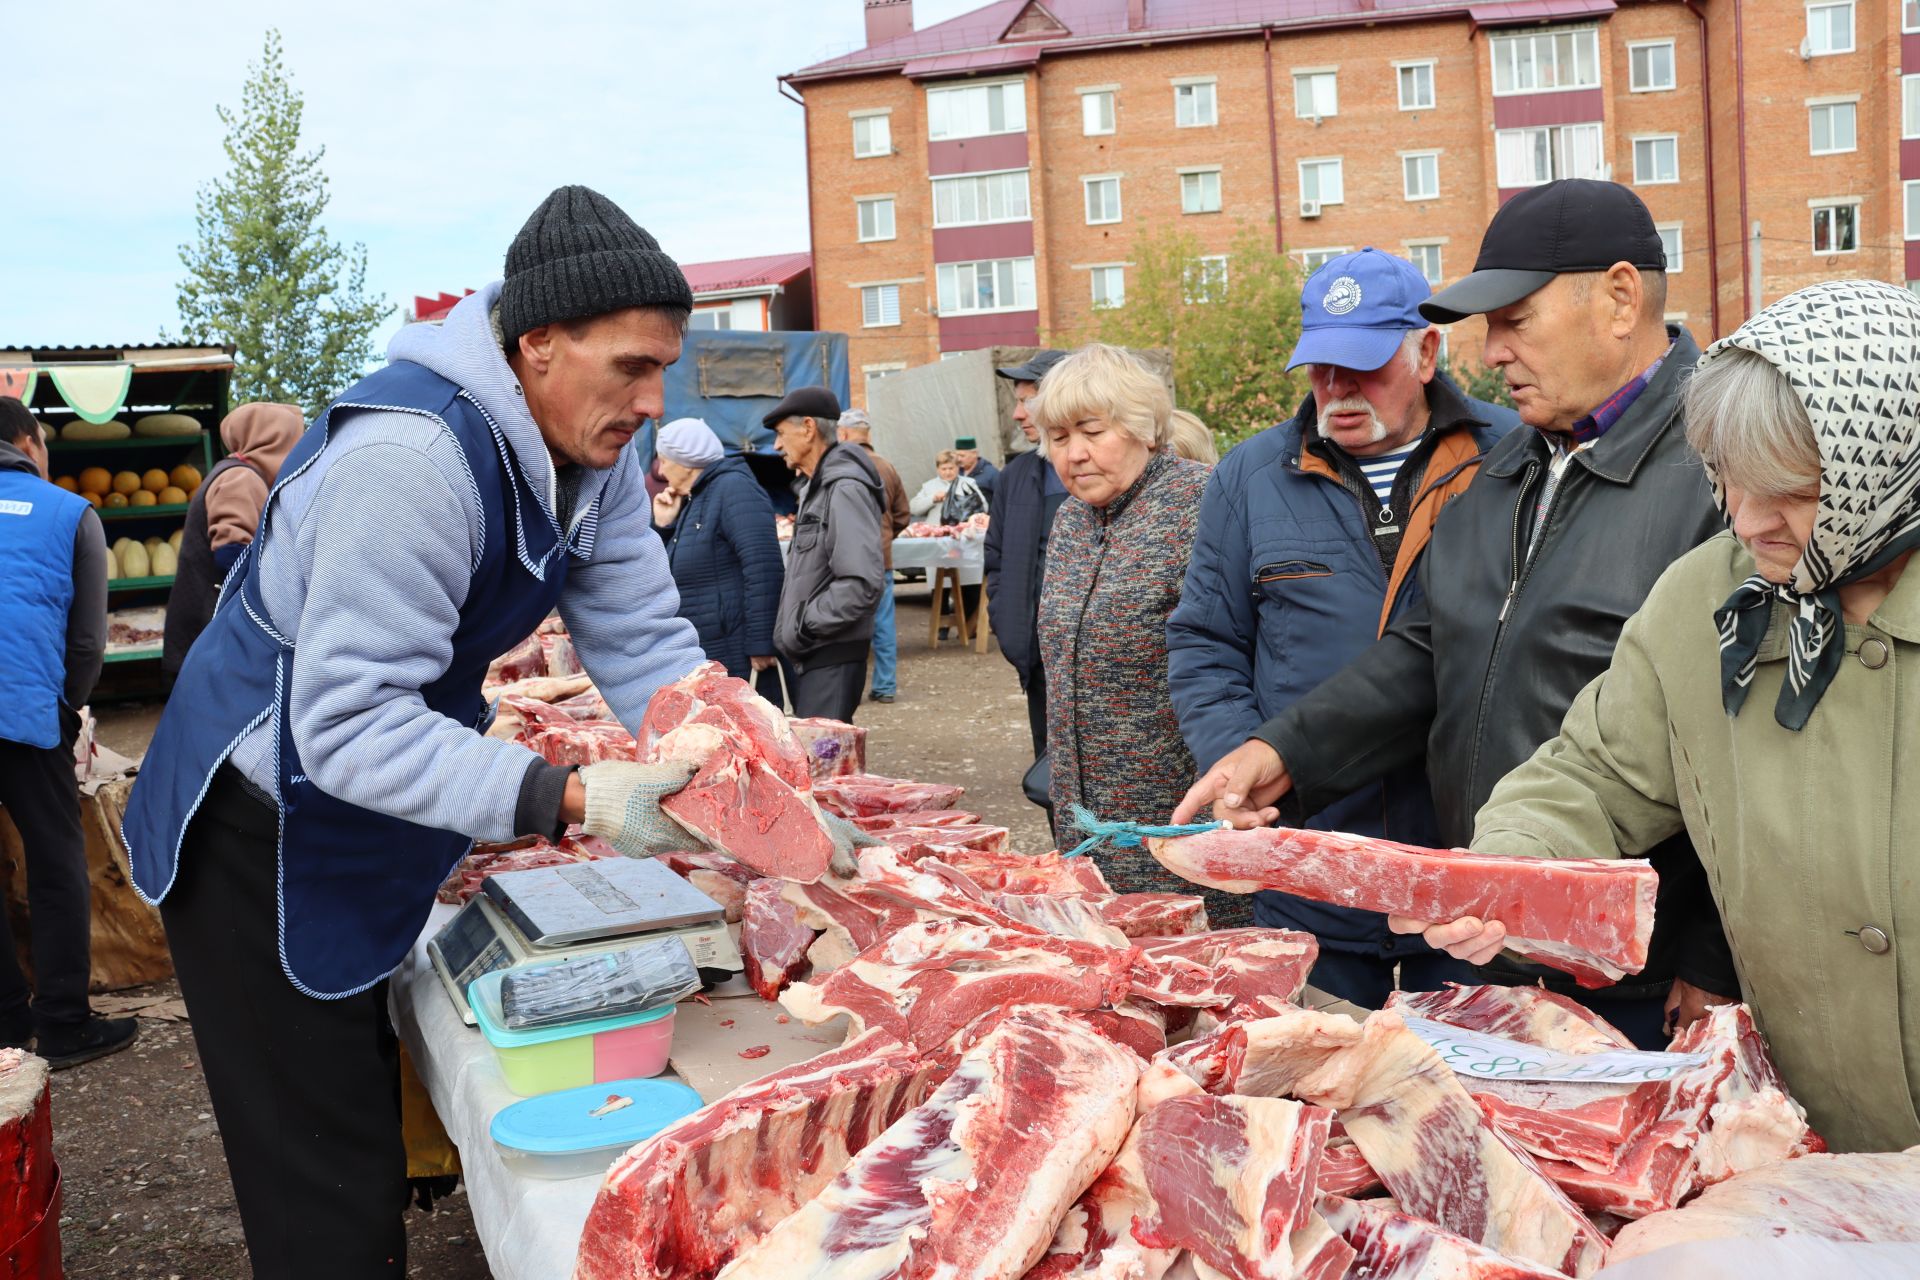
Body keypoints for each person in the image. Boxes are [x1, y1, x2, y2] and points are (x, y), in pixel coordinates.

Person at [121, 186, 717, 1276]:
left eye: (664, 366)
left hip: (356, 799)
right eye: (631, 365)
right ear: (538, 343)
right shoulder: (413, 459)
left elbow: (642, 633)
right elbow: (346, 727)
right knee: (325, 1180)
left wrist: (737, 744)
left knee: (363, 1118)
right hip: (257, 823)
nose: (653, 397)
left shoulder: (599, 456)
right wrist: (572, 794)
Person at [1172, 180, 1734, 1046]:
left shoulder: (1722, 470)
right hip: (1490, 936)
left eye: (1515, 318)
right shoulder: (1508, 468)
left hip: (1634, 970)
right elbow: (1422, 654)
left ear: (1621, 298)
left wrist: (1712, 956)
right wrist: (1279, 751)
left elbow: (1751, 741)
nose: (1494, 349)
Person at [1398, 280, 1920, 1151]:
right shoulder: (1705, 599)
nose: (1749, 523)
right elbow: (1594, 775)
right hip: (1810, 1146)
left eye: (1790, 492)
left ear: (1889, 461)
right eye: (1729, 484)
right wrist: (1516, 864)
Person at [1167, 248, 1517, 1006]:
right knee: (1320, 1086)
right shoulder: (1252, 476)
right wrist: (1240, 759)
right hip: (1311, 858)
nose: (1338, 389)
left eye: (1363, 366)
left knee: (1464, 1096)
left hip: (1467, 867)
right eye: (1323, 366)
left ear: (1427, 351)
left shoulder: (1510, 459)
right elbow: (1206, 638)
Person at [1032, 344, 1248, 927]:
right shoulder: (1072, 519)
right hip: (1085, 821)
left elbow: (1244, 657)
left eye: (1091, 432)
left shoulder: (1205, 500)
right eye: (1057, 437)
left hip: (1181, 821)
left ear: (1144, 428)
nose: (1073, 454)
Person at [0, 398, 129, 1066]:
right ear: (27, 442)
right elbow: (88, 640)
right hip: (26, 708)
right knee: (55, 862)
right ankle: (63, 1023)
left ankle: (3, 1025)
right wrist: (66, 706)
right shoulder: (69, 513)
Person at [769, 386, 886, 723]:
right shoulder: (818, 486)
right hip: (815, 653)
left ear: (808, 428)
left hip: (829, 653)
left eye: (780, 434)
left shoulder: (844, 487)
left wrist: (805, 626)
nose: (776, 445)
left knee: (824, 769)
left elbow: (861, 582)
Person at [162, 402, 303, 679]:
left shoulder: (242, 473)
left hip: (207, 633)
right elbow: (231, 554)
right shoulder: (241, 477)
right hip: (211, 632)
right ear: (273, 441)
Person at [651, 416, 783, 681]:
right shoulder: (698, 496)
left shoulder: (734, 488)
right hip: (712, 651)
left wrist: (761, 643)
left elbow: (763, 567)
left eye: (664, 460)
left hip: (739, 655)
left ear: (686, 462)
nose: (662, 471)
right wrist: (664, 526)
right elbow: (665, 570)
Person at [984, 349, 1069, 755]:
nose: (1018, 414)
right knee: (1049, 773)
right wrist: (1008, 622)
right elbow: (996, 558)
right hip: (1038, 660)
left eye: (1027, 401)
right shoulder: (1015, 475)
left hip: (1100, 668)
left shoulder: (1102, 472)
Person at [837, 409, 911, 703]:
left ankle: (844, 690)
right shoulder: (887, 467)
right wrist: (883, 538)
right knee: (883, 625)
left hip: (844, 563)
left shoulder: (838, 465)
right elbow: (902, 515)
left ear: (843, 434)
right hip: (881, 561)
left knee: (843, 626)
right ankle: (885, 686)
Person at [909, 449, 986, 523]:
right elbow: (913, 509)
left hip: (961, 532)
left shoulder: (969, 483)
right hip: (935, 532)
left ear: (958, 468)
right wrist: (933, 499)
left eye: (951, 468)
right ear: (937, 469)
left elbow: (984, 507)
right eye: (944, 469)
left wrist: (964, 502)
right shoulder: (928, 486)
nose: (948, 472)